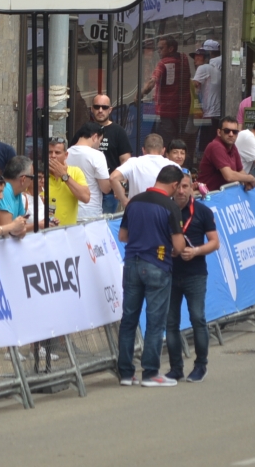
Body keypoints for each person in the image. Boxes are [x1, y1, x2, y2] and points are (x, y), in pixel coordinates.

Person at [116, 165, 186, 388]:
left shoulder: (134, 201)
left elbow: (123, 235)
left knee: (129, 319)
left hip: (132, 263)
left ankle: (126, 373)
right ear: (174, 185)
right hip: (157, 263)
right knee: (155, 322)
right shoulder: (170, 206)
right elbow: (178, 245)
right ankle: (150, 373)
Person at [164, 174, 218, 383]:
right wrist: (169, 251)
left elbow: (214, 242)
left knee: (197, 318)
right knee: (171, 322)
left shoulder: (202, 211)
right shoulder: (165, 210)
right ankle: (175, 368)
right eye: (177, 187)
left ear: (192, 188)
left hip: (195, 273)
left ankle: (200, 365)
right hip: (170, 273)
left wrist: (196, 251)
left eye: (185, 186)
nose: (181, 191)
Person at [141, 36, 192, 147]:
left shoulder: (162, 63)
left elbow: (152, 82)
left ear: (170, 49)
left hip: (167, 111)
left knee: (166, 142)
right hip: (183, 109)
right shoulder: (184, 59)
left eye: (161, 48)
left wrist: (139, 95)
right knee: (179, 141)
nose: (158, 51)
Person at [110, 134, 179, 208]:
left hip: (136, 210)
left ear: (143, 150)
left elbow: (113, 177)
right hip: (164, 210)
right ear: (163, 150)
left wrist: (124, 200)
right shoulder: (174, 166)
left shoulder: (133, 163)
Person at [90, 94, 132, 214]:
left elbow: (125, 161)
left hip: (109, 192)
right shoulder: (85, 130)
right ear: (91, 108)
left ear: (110, 109)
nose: (100, 110)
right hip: (88, 190)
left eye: (104, 107)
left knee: (106, 226)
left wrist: (121, 184)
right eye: (97, 107)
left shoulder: (118, 131)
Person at [197, 116, 255, 192]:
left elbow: (240, 170)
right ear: (219, 132)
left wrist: (246, 182)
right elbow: (229, 176)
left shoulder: (233, 146)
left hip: (222, 196)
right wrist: (249, 178)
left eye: (235, 132)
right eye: (227, 131)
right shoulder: (216, 146)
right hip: (207, 197)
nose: (231, 134)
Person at [65, 123, 111, 220]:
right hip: (90, 210)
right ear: (95, 137)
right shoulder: (97, 155)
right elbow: (105, 188)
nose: (99, 144)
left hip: (70, 208)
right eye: (100, 140)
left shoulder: (66, 153)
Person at [46, 138, 89, 227]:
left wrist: (64, 176)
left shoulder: (75, 172)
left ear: (66, 155)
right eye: (50, 152)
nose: (53, 156)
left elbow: (86, 198)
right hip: (43, 232)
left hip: (68, 232)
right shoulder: (39, 174)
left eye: (57, 153)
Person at [192, 47, 223, 153]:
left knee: (205, 147)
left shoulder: (204, 68)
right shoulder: (215, 70)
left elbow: (194, 85)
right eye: (194, 57)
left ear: (206, 59)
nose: (195, 60)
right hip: (214, 113)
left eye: (198, 57)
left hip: (209, 113)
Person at [0, 156, 34, 226]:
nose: (32, 181)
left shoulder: (17, 192)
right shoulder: (5, 189)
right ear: (23, 179)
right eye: (32, 177)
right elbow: (6, 228)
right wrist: (38, 225)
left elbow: (22, 224)